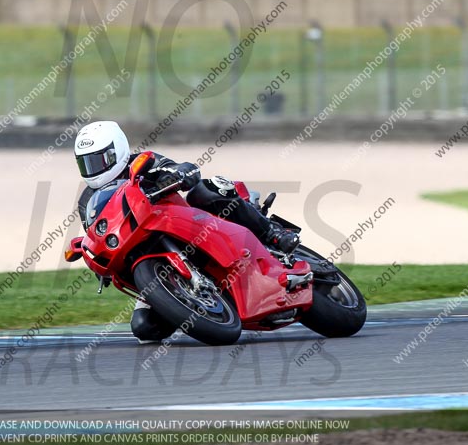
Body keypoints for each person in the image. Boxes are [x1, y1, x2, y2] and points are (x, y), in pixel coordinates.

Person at [74, 121, 299, 341]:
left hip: (183, 223)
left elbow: (180, 168)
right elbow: (96, 233)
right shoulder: (87, 201)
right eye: (86, 163)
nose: (93, 169)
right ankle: (190, 304)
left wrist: (180, 173)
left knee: (206, 191)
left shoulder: (142, 162)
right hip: (142, 253)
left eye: (99, 160)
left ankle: (272, 234)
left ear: (117, 150)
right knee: (144, 327)